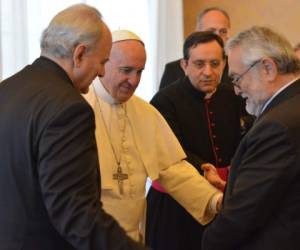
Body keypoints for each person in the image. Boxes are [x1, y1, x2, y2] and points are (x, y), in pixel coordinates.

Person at [0, 4, 149, 250]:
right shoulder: (69, 108)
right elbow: (74, 211)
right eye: (102, 61)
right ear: (79, 54)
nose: (101, 71)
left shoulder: (7, 89)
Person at [84, 29, 223, 243]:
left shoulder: (144, 112)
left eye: (139, 72)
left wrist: (214, 200)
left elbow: (172, 169)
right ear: (103, 64)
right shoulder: (78, 108)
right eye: (126, 70)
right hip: (87, 236)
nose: (134, 80)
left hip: (130, 236)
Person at [202, 26, 300, 250]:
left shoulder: (277, 126)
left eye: (236, 78)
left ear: (268, 68)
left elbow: (241, 217)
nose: (236, 90)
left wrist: (210, 242)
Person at [146, 31, 241, 250]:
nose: (208, 72)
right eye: (199, 64)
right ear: (184, 64)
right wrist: (204, 169)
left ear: (224, 63)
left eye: (215, 63)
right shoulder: (164, 100)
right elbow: (172, 152)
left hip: (223, 196)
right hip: (175, 203)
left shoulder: (232, 95)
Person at [159, 7, 231, 90]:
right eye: (211, 32)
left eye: (223, 31)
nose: (218, 36)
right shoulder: (173, 70)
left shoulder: (237, 68)